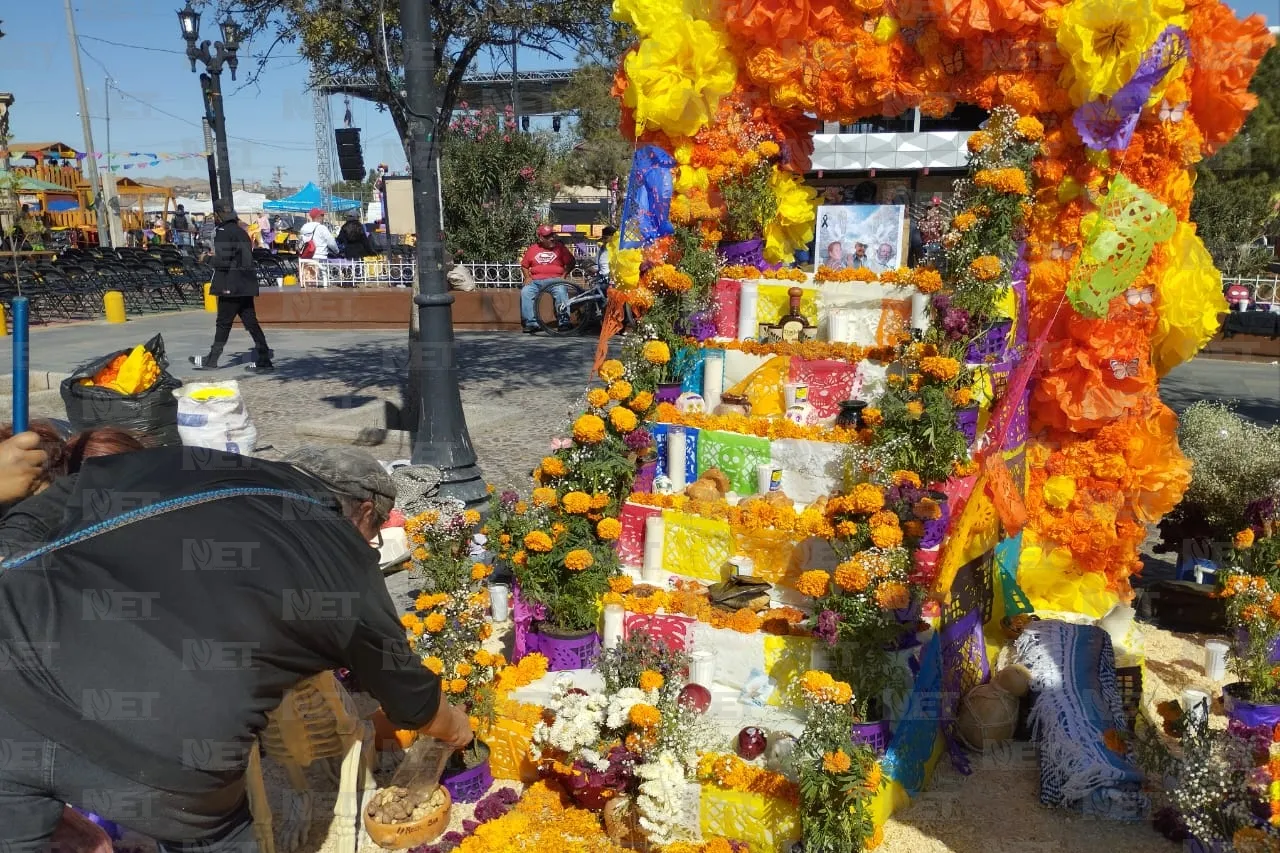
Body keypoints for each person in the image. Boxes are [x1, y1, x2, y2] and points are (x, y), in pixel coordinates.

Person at [0, 444, 472, 852]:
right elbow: (409, 696)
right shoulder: (342, 556)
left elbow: (39, 517)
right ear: (366, 512)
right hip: (169, 761)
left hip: (12, 688)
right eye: (373, 534)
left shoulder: (183, 463)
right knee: (213, 833)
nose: (370, 545)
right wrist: (454, 729)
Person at [190, 199, 273, 373]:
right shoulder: (241, 231)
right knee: (250, 322)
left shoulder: (222, 231)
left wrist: (206, 258)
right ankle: (264, 356)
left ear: (218, 215)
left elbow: (223, 261)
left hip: (230, 284)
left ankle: (212, 359)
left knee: (223, 323)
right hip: (245, 283)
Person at [519, 225, 575, 333]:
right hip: (535, 281)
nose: (552, 238)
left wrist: (563, 276)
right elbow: (524, 266)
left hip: (555, 279)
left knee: (561, 291)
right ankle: (531, 324)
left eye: (552, 235)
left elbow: (571, 262)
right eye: (548, 236)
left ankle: (564, 322)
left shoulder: (560, 248)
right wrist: (527, 277)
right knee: (526, 291)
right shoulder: (533, 249)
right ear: (541, 238)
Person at [298, 208, 339, 287]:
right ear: (318, 217)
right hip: (320, 257)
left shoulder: (304, 227)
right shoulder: (322, 228)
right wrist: (337, 251)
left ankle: (309, 291)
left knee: (308, 280)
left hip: (306, 256)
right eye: (322, 215)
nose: (323, 217)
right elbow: (331, 242)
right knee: (323, 277)